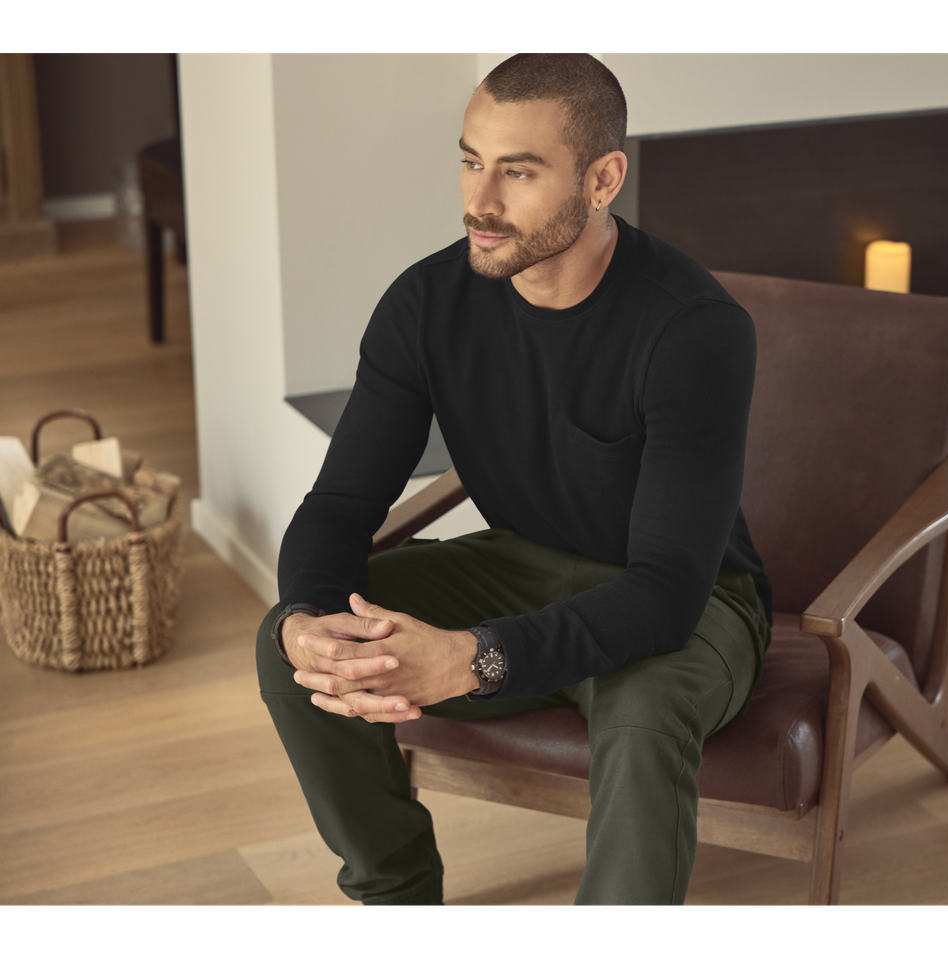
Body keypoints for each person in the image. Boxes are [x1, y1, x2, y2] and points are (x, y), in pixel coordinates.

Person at [256, 52, 772, 907]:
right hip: (518, 562)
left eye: (518, 172)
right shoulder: (426, 305)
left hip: (694, 602)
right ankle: (397, 890)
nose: (479, 203)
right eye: (470, 160)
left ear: (603, 179)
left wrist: (473, 659)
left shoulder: (694, 329)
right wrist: (311, 621)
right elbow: (342, 503)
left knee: (642, 721)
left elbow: (667, 595)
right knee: (292, 642)